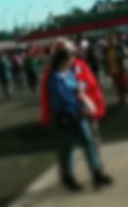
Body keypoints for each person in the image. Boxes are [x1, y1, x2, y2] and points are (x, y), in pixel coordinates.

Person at [46, 47, 112, 192]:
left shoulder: (68, 74)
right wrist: (80, 105)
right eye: (70, 59)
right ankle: (68, 177)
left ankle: (96, 172)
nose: (72, 62)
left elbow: (77, 89)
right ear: (63, 60)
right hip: (67, 117)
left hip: (79, 114)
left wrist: (82, 96)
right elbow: (63, 97)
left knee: (89, 144)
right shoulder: (54, 78)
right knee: (67, 148)